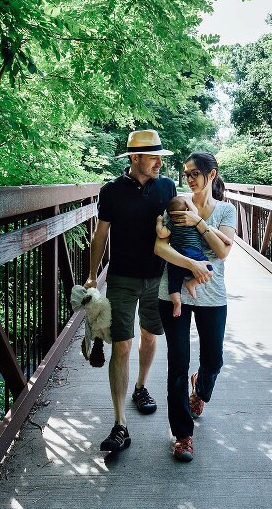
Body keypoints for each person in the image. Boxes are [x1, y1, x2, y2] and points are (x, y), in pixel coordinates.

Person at [84, 129, 186, 453]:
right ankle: (119, 425)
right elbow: (100, 235)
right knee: (122, 346)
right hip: (122, 278)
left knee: (150, 337)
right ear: (135, 158)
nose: (159, 162)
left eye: (160, 156)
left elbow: (181, 227)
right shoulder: (111, 191)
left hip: (157, 278)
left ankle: (141, 386)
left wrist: (188, 271)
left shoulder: (168, 187)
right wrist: (90, 275)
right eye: (153, 156)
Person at [154, 152, 236, 462]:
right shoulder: (175, 204)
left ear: (211, 175)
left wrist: (199, 222)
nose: (188, 178)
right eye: (185, 173)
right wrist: (190, 263)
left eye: (194, 173)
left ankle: (199, 391)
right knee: (177, 364)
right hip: (173, 291)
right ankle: (183, 435)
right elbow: (159, 245)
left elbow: (223, 252)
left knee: (213, 360)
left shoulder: (226, 211)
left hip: (212, 294)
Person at [155, 196, 232, 317]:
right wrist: (226, 239)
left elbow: (161, 233)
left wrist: (159, 222)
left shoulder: (172, 223)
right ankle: (192, 283)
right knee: (210, 271)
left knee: (174, 283)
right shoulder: (195, 222)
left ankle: (177, 303)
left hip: (177, 260)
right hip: (196, 255)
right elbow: (210, 229)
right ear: (187, 209)